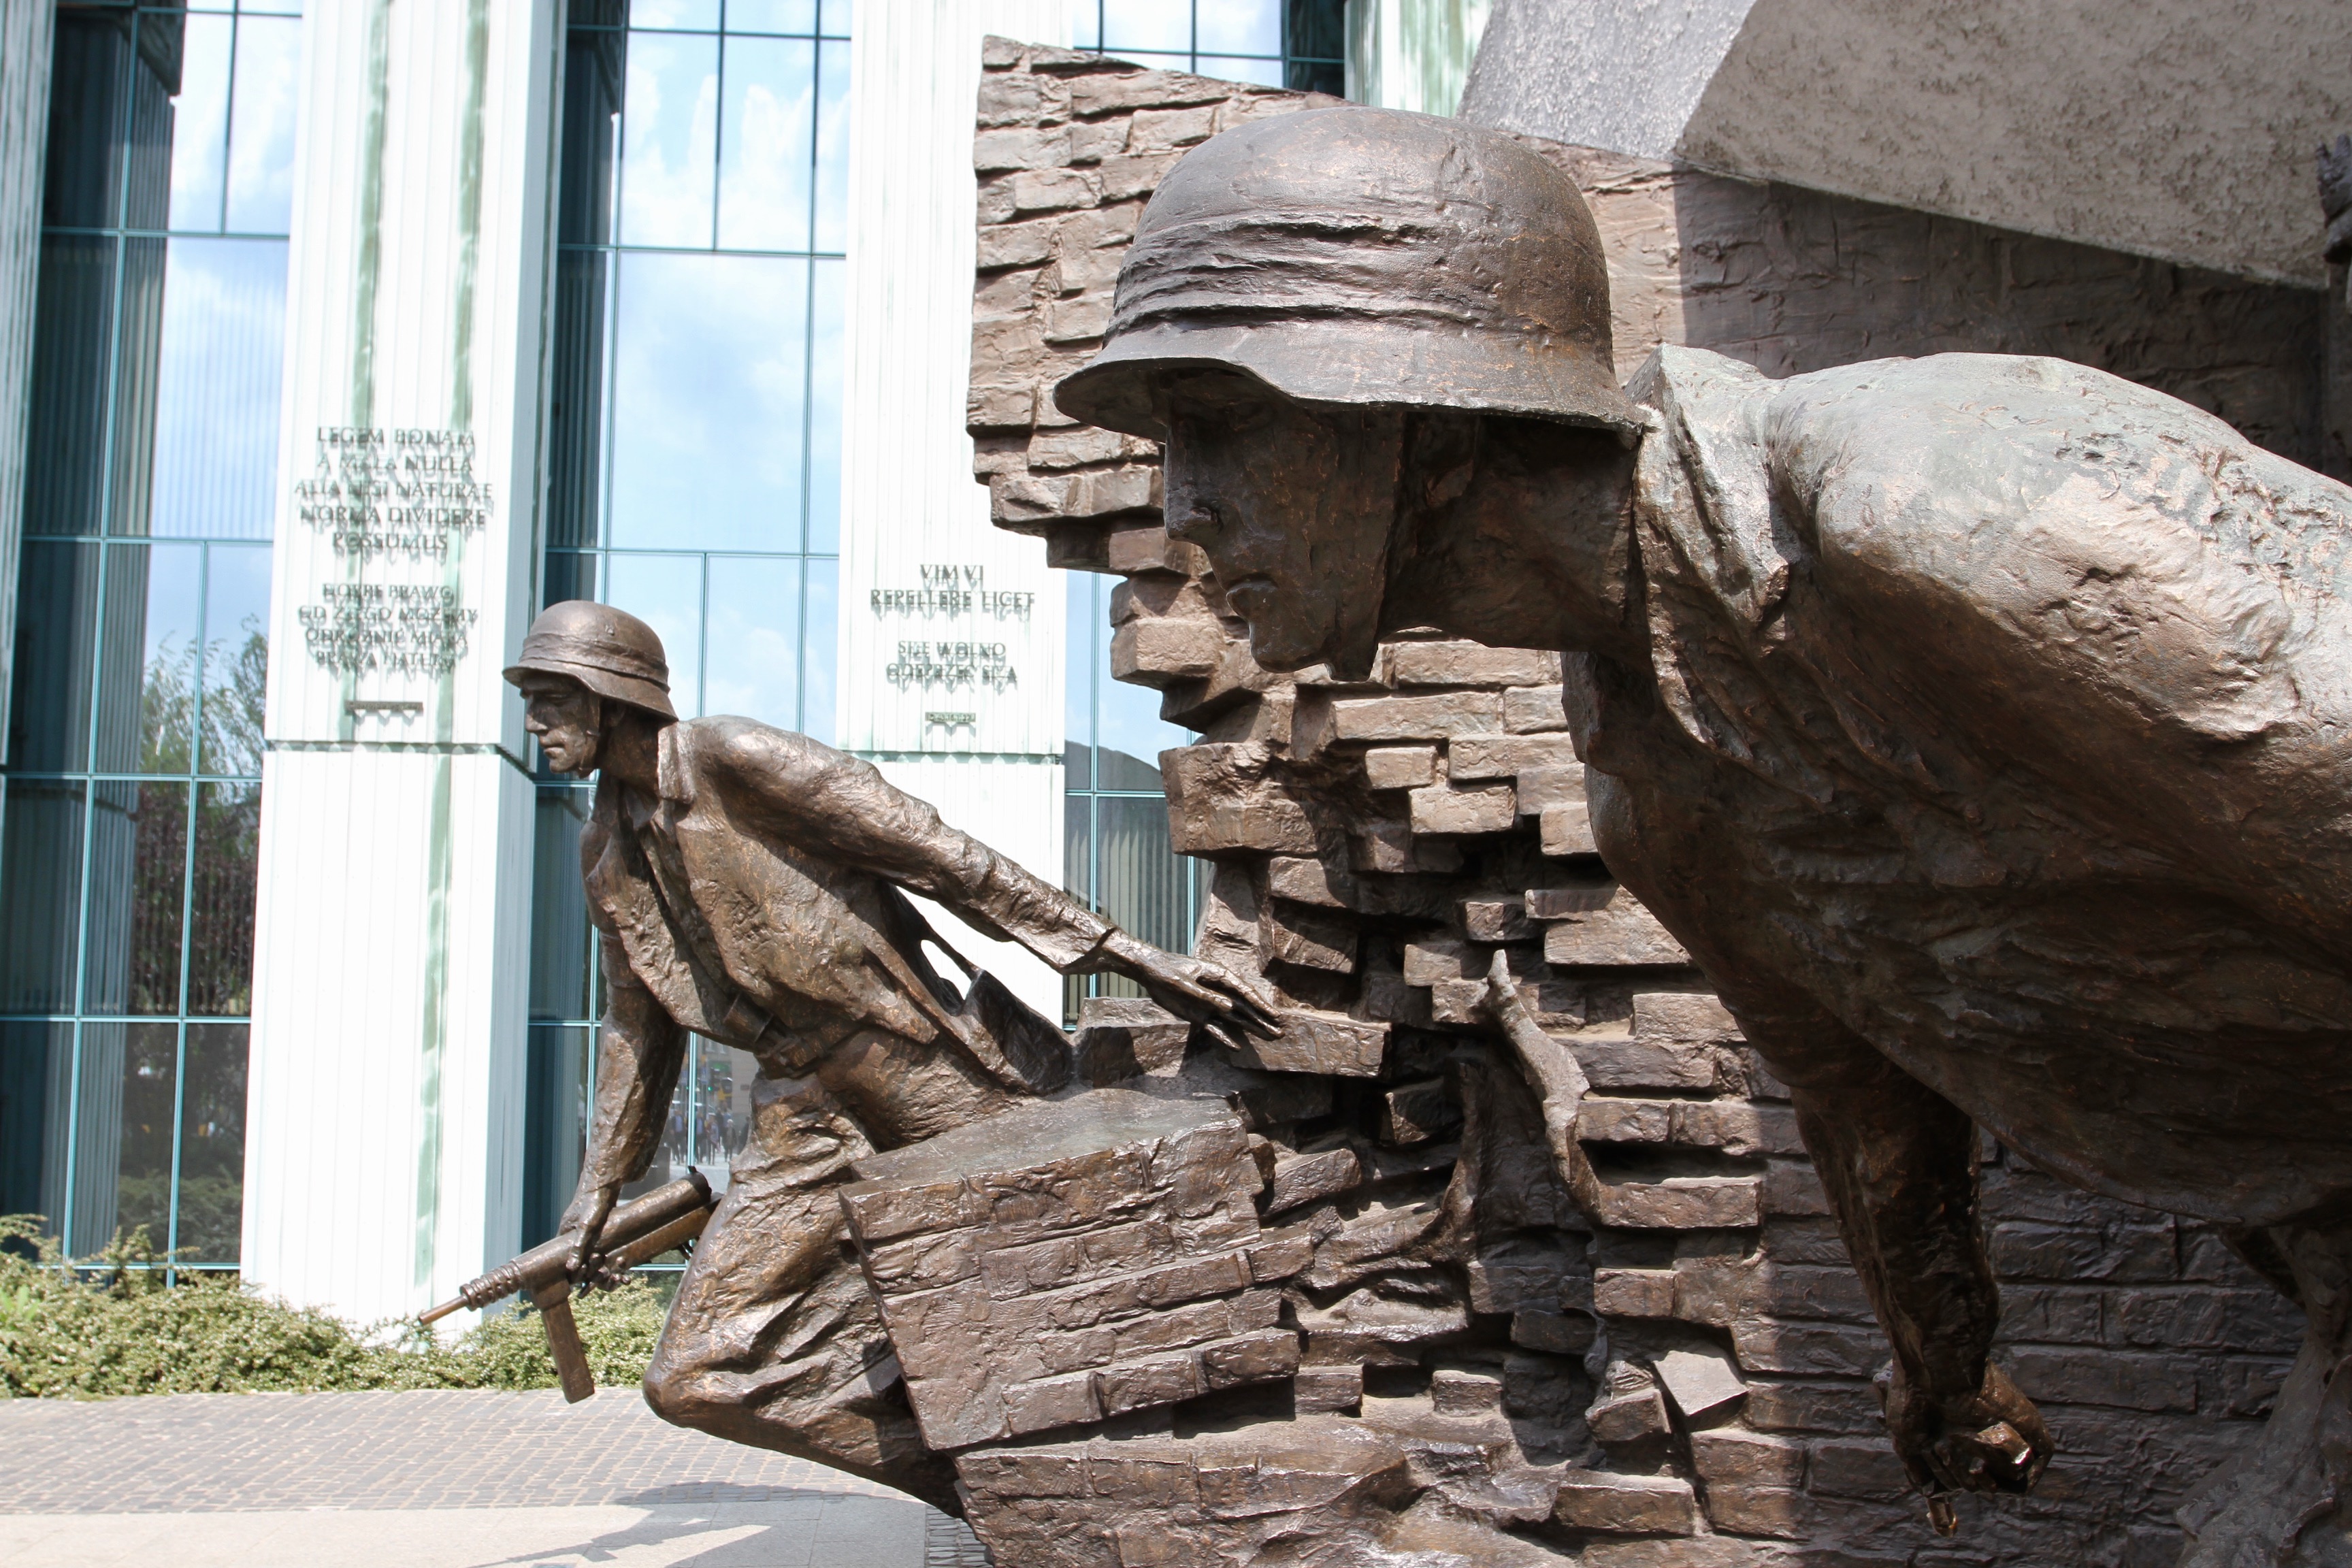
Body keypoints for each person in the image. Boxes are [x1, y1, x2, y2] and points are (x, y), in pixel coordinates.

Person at [1056, 103, 2352, 1561]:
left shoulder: (1922, 513)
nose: (1180, 507)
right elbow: (1875, 1106)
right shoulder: (1659, 790)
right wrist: (1944, 1370)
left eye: (1215, 420)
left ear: (1408, 404)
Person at [506, 600, 1275, 1509]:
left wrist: (1125, 954)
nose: (534, 724)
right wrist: (594, 1195)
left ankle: (1127, 1473)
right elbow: (636, 1027)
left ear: (610, 696)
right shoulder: (608, 851)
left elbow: (939, 855)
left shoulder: (731, 761)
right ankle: (1009, 1490)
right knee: (696, 1374)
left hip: (920, 1074)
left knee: (1063, 1283)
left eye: (552, 700)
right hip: (798, 1111)